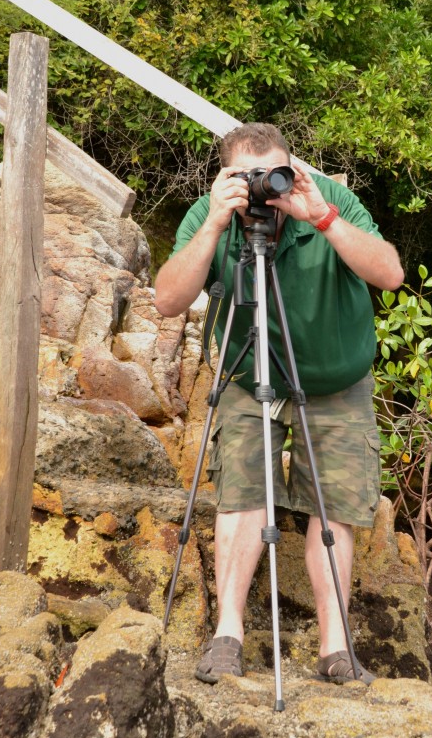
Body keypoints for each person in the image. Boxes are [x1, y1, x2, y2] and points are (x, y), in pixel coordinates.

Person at [154, 123, 404, 684]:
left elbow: (390, 274)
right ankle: (227, 635)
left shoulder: (328, 200)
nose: (265, 189)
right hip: (250, 375)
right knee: (241, 496)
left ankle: (335, 649)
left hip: (337, 381)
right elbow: (168, 299)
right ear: (224, 178)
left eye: (273, 173)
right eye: (248, 178)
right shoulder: (210, 213)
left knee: (334, 506)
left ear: (291, 167)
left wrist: (323, 217)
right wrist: (217, 222)